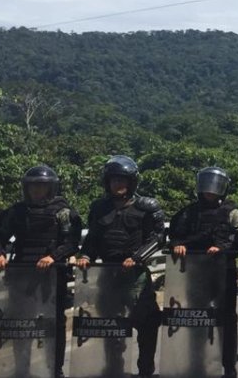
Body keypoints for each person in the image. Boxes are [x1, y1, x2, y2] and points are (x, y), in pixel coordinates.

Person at [75, 155, 166, 378]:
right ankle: (113, 367)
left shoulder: (147, 206)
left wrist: (138, 257)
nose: (119, 184)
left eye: (123, 180)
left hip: (135, 275)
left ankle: (145, 369)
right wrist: (85, 255)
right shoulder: (99, 208)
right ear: (107, 181)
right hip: (107, 274)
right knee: (110, 324)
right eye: (114, 180)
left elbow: (158, 237)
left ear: (132, 182)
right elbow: (92, 239)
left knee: (147, 323)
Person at [0, 165, 82, 378]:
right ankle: (21, 369)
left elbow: (72, 242)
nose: (37, 190)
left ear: (51, 188)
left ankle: (55, 369)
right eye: (33, 186)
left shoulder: (63, 212)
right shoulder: (17, 211)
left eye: (42, 186)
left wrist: (53, 257)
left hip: (52, 275)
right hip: (21, 274)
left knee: (54, 324)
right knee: (21, 324)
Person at [167, 166, 238, 378]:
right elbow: (173, 234)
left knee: (227, 321)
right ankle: (197, 364)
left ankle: (229, 368)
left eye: (215, 186)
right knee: (196, 319)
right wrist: (177, 245)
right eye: (206, 186)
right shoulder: (188, 213)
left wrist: (224, 248)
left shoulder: (233, 212)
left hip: (224, 272)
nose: (210, 191)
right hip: (196, 273)